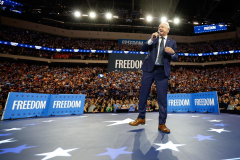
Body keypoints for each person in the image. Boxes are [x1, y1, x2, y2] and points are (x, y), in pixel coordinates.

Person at [129, 22, 178, 133]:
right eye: (159, 26)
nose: (160, 28)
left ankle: (162, 124)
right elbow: (143, 49)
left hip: (162, 72)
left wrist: (172, 52)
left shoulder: (172, 43)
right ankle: (141, 117)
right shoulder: (154, 38)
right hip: (149, 70)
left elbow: (176, 58)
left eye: (162, 27)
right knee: (143, 94)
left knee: (162, 99)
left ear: (168, 30)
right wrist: (151, 39)